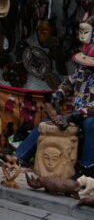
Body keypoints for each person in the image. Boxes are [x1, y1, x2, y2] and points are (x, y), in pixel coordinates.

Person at [14, 17, 94, 176]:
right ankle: (18, 158)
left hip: (88, 116)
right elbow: (68, 82)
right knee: (46, 124)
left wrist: (74, 115)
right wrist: (60, 93)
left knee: (90, 124)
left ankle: (87, 167)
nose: (86, 66)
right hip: (77, 114)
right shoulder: (82, 70)